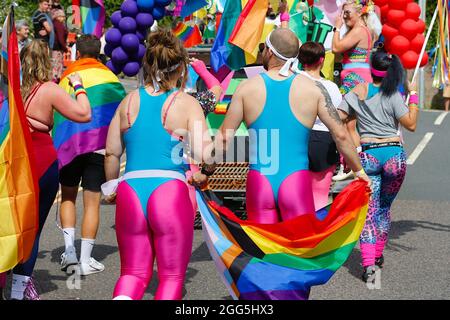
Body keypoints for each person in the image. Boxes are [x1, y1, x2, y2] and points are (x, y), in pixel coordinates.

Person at [215, 28, 370, 225]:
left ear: (270, 52)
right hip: (295, 182)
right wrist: (359, 172)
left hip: (260, 182)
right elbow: (340, 134)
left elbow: (224, 137)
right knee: (300, 248)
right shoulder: (313, 89)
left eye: (264, 48)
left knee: (266, 249)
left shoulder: (246, 88)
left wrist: (206, 171)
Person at [104, 28, 214, 300]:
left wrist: (111, 188)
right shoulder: (186, 103)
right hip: (169, 190)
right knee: (171, 277)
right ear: (181, 69)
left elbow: (111, 153)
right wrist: (207, 171)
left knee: (132, 273)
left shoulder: (129, 102)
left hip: (130, 190)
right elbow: (205, 153)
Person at [8, 40, 91, 300]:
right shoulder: (49, 90)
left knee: (12, 223)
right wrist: (78, 86)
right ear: (47, 61)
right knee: (33, 228)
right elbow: (84, 114)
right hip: (41, 161)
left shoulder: (12, 89)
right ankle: (19, 289)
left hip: (15, 159)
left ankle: (8, 276)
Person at [337, 50, 419, 285]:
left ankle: (370, 268)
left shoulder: (357, 91)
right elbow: (411, 124)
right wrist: (412, 96)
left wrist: (348, 144)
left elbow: (338, 117)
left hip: (369, 156)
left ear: (370, 66)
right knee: (383, 208)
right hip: (394, 156)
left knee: (369, 214)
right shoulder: (393, 94)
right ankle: (378, 254)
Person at [57, 34, 127, 277]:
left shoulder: (66, 78)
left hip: (70, 146)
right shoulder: (110, 78)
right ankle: (85, 259)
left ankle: (70, 253)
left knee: (67, 196)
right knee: (92, 203)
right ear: (99, 53)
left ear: (77, 53)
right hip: (98, 147)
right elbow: (117, 113)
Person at [332, 0, 378, 180]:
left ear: (359, 13)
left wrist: (336, 28)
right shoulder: (362, 30)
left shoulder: (359, 31)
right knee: (349, 125)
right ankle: (353, 164)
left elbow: (336, 48)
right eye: (343, 13)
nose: (344, 17)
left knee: (345, 123)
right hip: (355, 79)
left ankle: (354, 164)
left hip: (355, 79)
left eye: (347, 13)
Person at [299, 41, 341, 210]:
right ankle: (317, 233)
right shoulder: (331, 87)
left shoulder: (293, 81)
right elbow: (338, 120)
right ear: (322, 60)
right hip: (324, 139)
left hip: (297, 136)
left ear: (301, 60)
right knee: (320, 194)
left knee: (297, 194)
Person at [51, 9, 68, 82]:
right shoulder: (58, 25)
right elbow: (60, 37)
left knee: (56, 63)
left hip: (56, 47)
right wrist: (65, 48)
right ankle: (56, 79)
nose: (64, 18)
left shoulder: (55, 23)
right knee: (57, 64)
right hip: (58, 47)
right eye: (63, 17)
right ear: (58, 17)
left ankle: (56, 78)